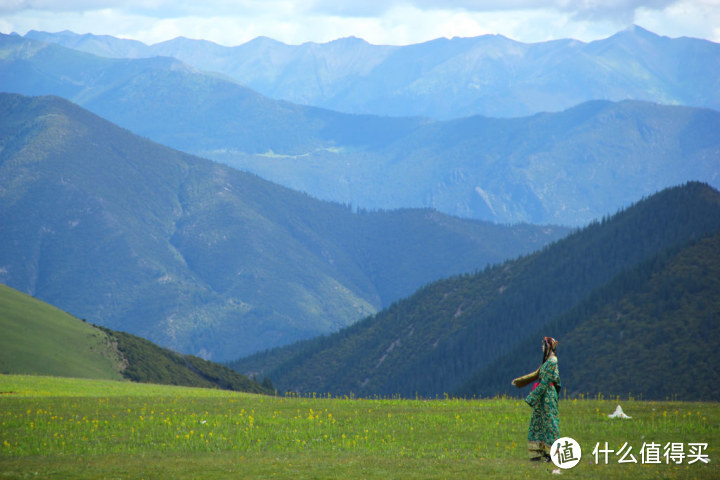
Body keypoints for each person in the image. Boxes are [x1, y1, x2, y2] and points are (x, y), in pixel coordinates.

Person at [517, 336, 562, 462]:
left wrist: (532, 396)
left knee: (550, 424)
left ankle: (552, 453)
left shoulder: (552, 362)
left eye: (544, 346)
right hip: (544, 396)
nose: (542, 348)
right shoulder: (548, 362)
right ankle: (539, 452)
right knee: (538, 422)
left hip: (546, 395)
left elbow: (546, 381)